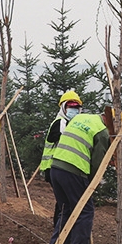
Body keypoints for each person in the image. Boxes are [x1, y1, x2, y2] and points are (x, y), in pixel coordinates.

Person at [49, 108, 115, 244]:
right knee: (85, 211)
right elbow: (97, 163)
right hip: (74, 171)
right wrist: (92, 184)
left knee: (65, 208)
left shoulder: (81, 117)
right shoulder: (102, 132)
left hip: (56, 166)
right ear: (110, 122)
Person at [38, 91, 83, 226]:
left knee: (62, 201)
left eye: (76, 107)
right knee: (64, 202)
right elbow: (55, 137)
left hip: (56, 168)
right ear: (63, 107)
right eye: (70, 107)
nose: (73, 110)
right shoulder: (61, 122)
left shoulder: (68, 122)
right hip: (54, 167)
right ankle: (60, 230)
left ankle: (59, 228)